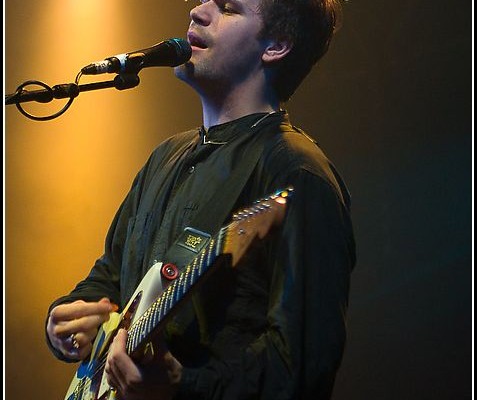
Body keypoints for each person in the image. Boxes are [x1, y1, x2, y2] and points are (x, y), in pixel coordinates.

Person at [46, 0, 356, 398]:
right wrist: (68, 321)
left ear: (276, 44)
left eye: (228, 7)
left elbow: (301, 368)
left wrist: (182, 386)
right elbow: (110, 275)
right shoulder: (165, 156)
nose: (197, 10)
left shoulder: (298, 174)